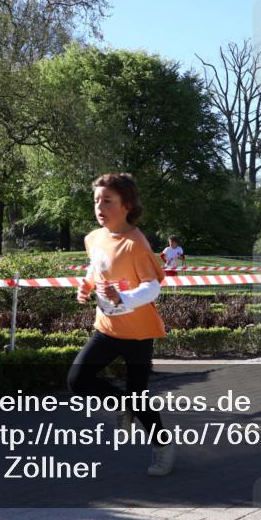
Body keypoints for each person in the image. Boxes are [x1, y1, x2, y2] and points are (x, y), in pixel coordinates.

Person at [67, 173, 176, 476]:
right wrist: (86, 285)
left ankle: (163, 447)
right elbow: (97, 265)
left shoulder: (136, 244)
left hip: (139, 334)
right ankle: (123, 405)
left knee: (139, 398)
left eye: (108, 201)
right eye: (96, 201)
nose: (99, 207)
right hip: (106, 328)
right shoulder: (94, 237)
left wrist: (123, 296)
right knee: (78, 381)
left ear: (127, 205)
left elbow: (153, 288)